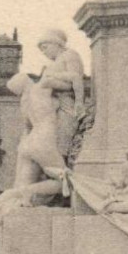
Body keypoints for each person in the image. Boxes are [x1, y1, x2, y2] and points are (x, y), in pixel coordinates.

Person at [37, 29, 86, 163]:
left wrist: (51, 80)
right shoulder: (53, 63)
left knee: (63, 145)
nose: (44, 52)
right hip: (52, 107)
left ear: (56, 43)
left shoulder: (70, 55)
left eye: (45, 47)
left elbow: (76, 80)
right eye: (42, 50)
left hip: (67, 104)